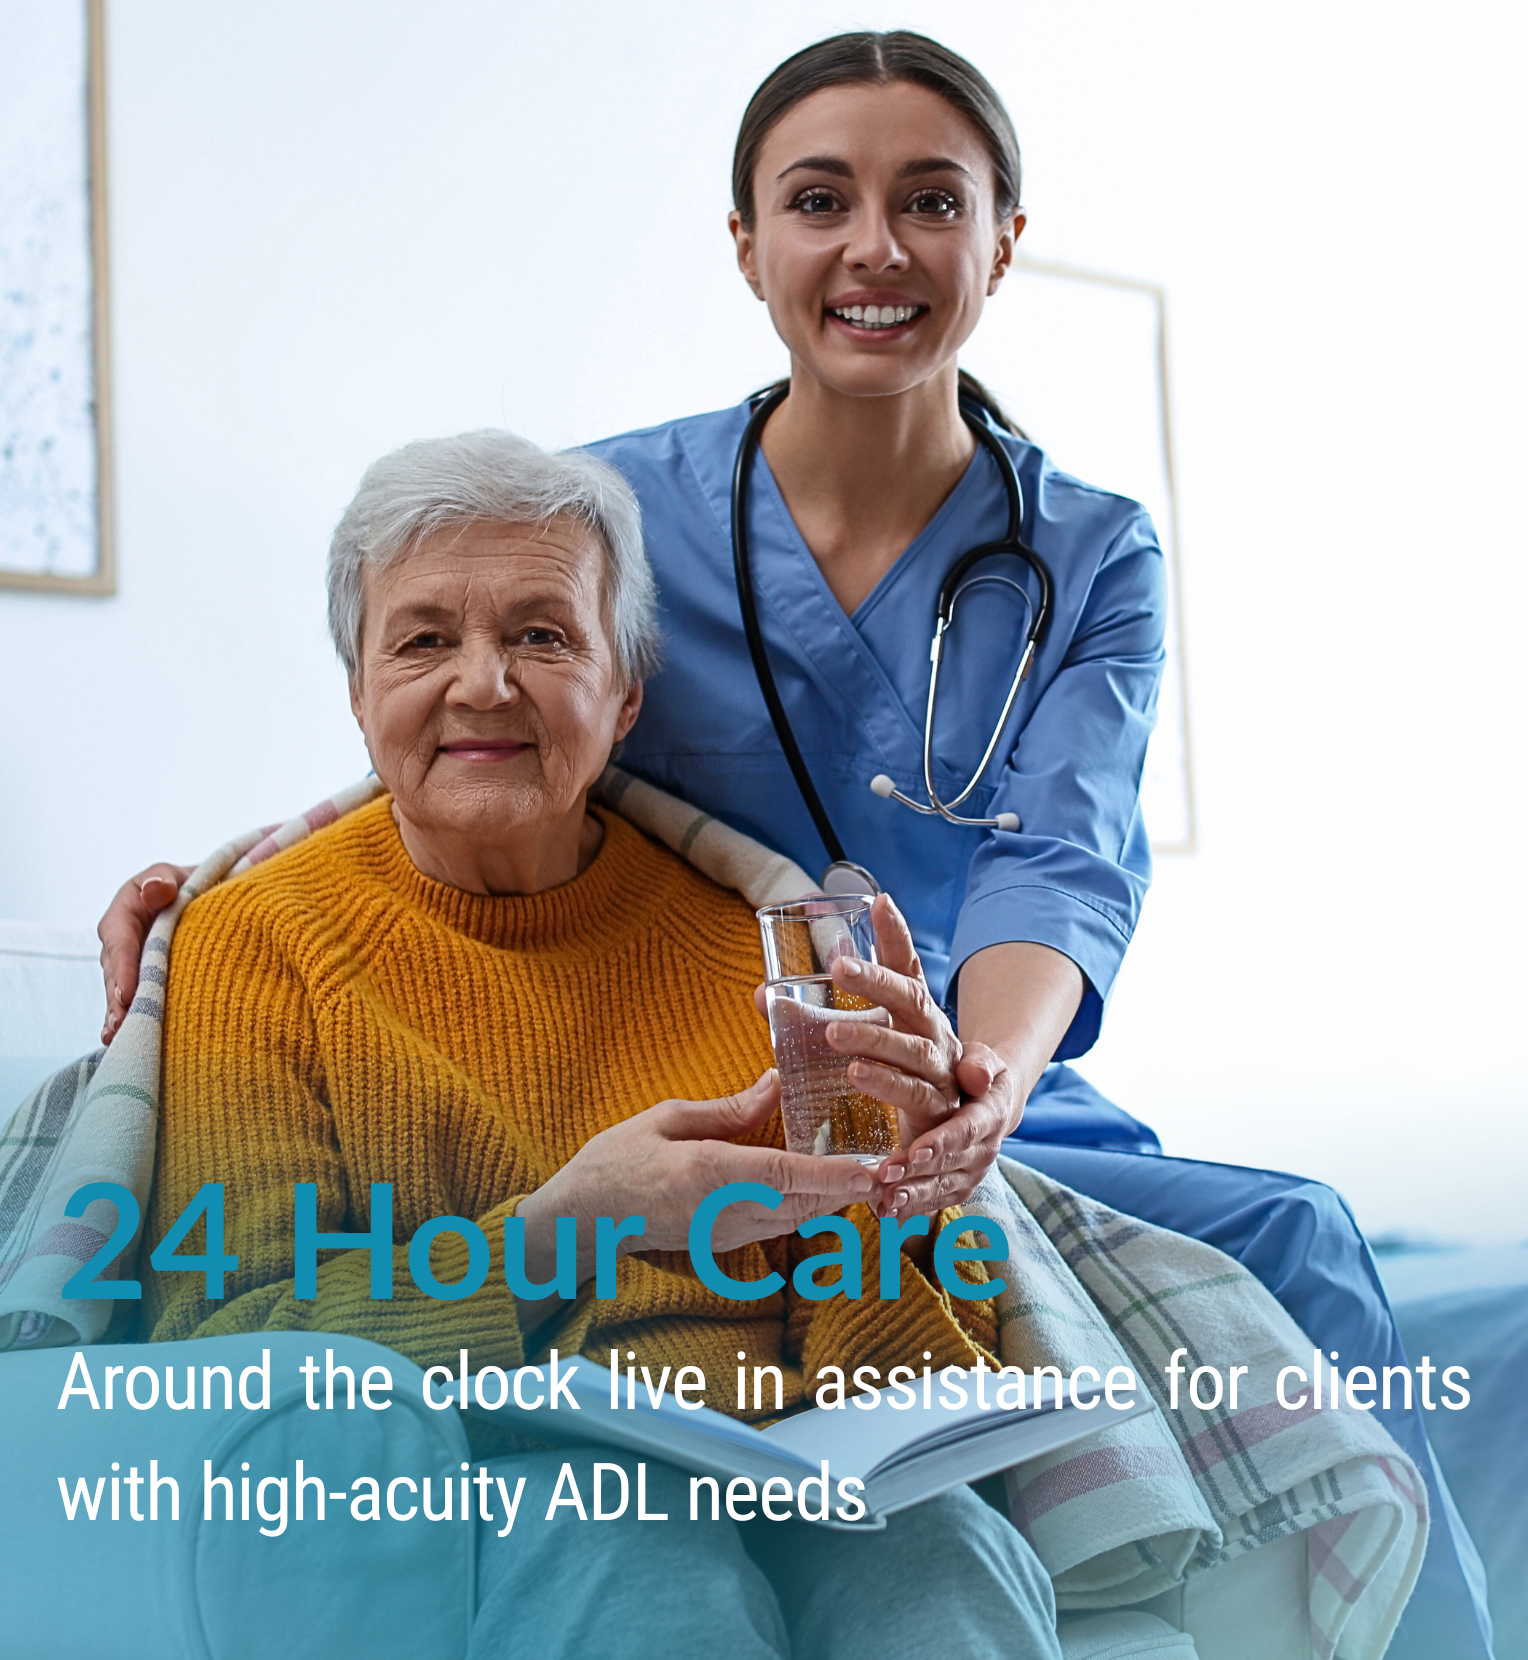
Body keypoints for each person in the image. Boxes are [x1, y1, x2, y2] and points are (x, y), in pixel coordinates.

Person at [94, 33, 1491, 1650]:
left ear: (1001, 239)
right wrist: (233, 873)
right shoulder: (616, 501)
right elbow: (494, 710)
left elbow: (1060, 858)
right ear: (747, 242)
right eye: (816, 201)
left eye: (930, 201)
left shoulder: (1089, 551)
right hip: (739, 1050)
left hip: (967, 1059)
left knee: (1298, 1234)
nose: (872, 247)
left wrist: (976, 1092)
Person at [143, 429, 1065, 1659]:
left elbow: (892, 1384)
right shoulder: (256, 943)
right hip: (494, 1484)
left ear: (625, 694)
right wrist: (563, 1229)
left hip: (786, 1463)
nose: (483, 684)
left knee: (952, 1555)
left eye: (542, 634)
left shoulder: (757, 940)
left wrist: (888, 1190)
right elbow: (220, 1343)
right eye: (423, 639)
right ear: (358, 695)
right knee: (638, 1560)